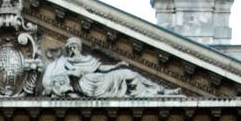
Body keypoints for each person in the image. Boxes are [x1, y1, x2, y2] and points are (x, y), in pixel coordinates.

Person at [42, 37, 173, 98]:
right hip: (85, 85)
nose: (72, 49)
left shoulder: (88, 59)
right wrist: (71, 73)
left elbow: (100, 68)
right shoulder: (64, 61)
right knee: (126, 75)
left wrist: (116, 66)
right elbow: (57, 78)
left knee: (127, 73)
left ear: (79, 47)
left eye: (74, 46)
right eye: (70, 47)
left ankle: (156, 91)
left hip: (99, 80)